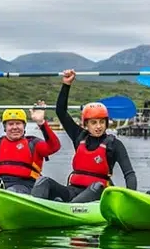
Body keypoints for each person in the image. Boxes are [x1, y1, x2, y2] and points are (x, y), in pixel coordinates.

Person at [31, 69, 137, 203]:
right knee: (43, 181)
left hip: (97, 196)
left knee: (97, 186)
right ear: (86, 124)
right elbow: (61, 111)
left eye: (102, 122)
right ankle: (35, 211)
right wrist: (66, 85)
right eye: (94, 122)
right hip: (72, 192)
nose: (98, 126)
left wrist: (131, 199)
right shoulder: (79, 136)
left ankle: (67, 209)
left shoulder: (114, 144)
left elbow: (129, 174)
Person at [0, 103, 61, 195]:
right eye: (11, 124)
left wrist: (41, 122)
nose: (15, 127)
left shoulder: (34, 143)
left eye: (18, 123)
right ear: (5, 127)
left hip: (25, 185)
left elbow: (54, 146)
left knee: (11, 191)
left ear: (24, 126)